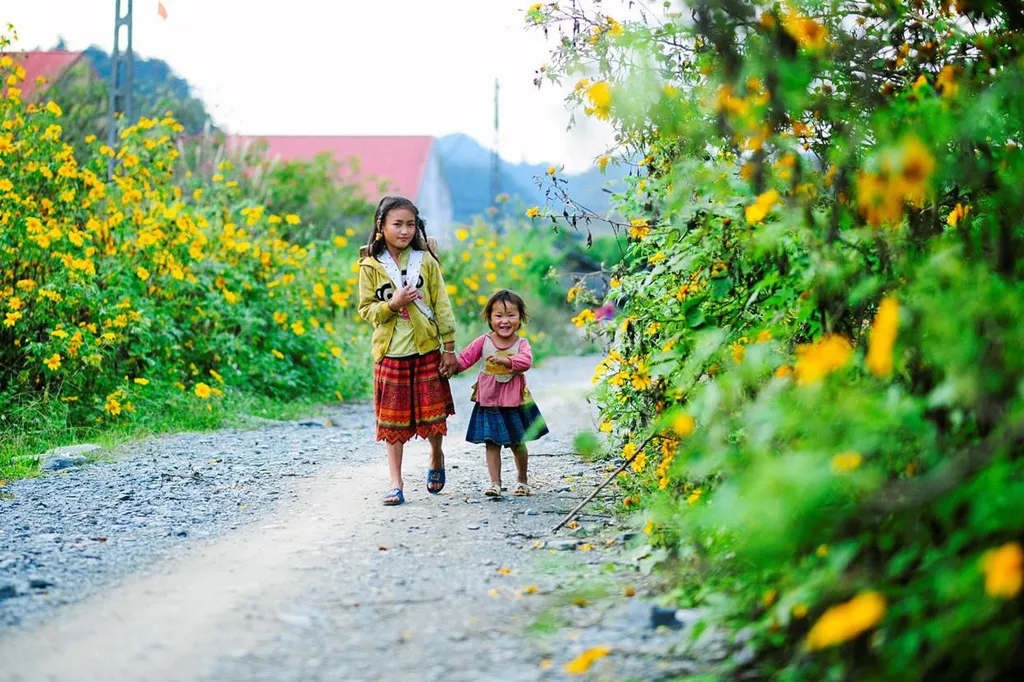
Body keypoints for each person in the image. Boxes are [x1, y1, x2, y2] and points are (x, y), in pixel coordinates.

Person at [358, 196, 458, 506]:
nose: (404, 231)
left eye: (410, 225)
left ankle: (436, 455)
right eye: (397, 224)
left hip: (426, 349)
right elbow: (366, 309)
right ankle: (395, 482)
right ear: (381, 226)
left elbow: (441, 304)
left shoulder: (425, 261)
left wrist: (449, 348)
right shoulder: (370, 265)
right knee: (392, 422)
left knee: (433, 416)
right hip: (390, 354)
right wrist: (393, 304)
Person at [454, 289, 548, 497]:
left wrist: (506, 361)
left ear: (520, 318)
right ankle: (495, 483)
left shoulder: (521, 344)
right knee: (491, 443)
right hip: (489, 402)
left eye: (511, 315)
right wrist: (449, 367)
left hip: (514, 403)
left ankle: (522, 480)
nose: (505, 321)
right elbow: (464, 359)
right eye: (499, 316)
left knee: (517, 443)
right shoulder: (483, 342)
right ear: (489, 318)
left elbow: (526, 362)